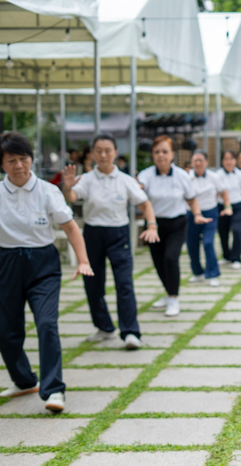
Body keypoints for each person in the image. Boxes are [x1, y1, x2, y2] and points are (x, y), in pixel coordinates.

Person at [0, 132, 93, 413]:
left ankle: (54, 390)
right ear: (1, 162)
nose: (19, 165)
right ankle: (24, 381)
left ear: (31, 159)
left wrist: (83, 261)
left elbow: (71, 227)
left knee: (47, 325)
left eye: (24, 159)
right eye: (11, 160)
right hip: (8, 263)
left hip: (43, 264)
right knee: (5, 333)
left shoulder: (48, 191)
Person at [61, 133, 160, 350]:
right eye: (99, 150)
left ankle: (131, 332)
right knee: (93, 284)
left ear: (115, 153)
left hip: (119, 235)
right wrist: (67, 186)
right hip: (93, 235)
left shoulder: (125, 180)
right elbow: (72, 197)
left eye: (108, 150)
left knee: (124, 283)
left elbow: (145, 204)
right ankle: (104, 327)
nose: (103, 155)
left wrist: (152, 225)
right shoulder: (87, 179)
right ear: (93, 153)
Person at [137, 136, 211, 317]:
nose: (161, 155)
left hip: (177, 224)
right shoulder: (145, 175)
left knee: (170, 258)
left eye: (165, 152)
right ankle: (168, 292)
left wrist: (198, 215)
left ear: (172, 154)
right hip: (154, 225)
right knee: (159, 263)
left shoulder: (182, 175)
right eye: (157, 152)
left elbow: (192, 200)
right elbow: (138, 194)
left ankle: (173, 298)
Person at [187, 150, 231, 287]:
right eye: (195, 160)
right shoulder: (187, 177)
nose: (198, 163)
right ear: (192, 163)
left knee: (208, 243)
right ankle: (197, 273)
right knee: (192, 244)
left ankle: (212, 273)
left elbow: (224, 192)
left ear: (206, 162)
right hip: (192, 215)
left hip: (210, 213)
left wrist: (227, 207)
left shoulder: (214, 177)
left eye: (201, 160)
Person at [217, 150, 241, 269]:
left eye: (231, 159)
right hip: (222, 207)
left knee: (237, 230)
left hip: (238, 206)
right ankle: (226, 256)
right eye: (226, 159)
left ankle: (236, 257)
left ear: (235, 161)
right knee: (223, 232)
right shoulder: (218, 175)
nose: (228, 162)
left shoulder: (240, 174)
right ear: (222, 161)